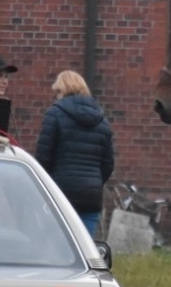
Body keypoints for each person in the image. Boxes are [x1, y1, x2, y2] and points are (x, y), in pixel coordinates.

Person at [34, 70, 114, 236]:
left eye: (57, 92)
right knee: (84, 249)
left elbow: (43, 158)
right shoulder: (102, 121)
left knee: (57, 248)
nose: (56, 97)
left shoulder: (54, 114)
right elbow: (108, 164)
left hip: (60, 192)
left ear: (63, 91)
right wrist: (95, 181)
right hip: (91, 195)